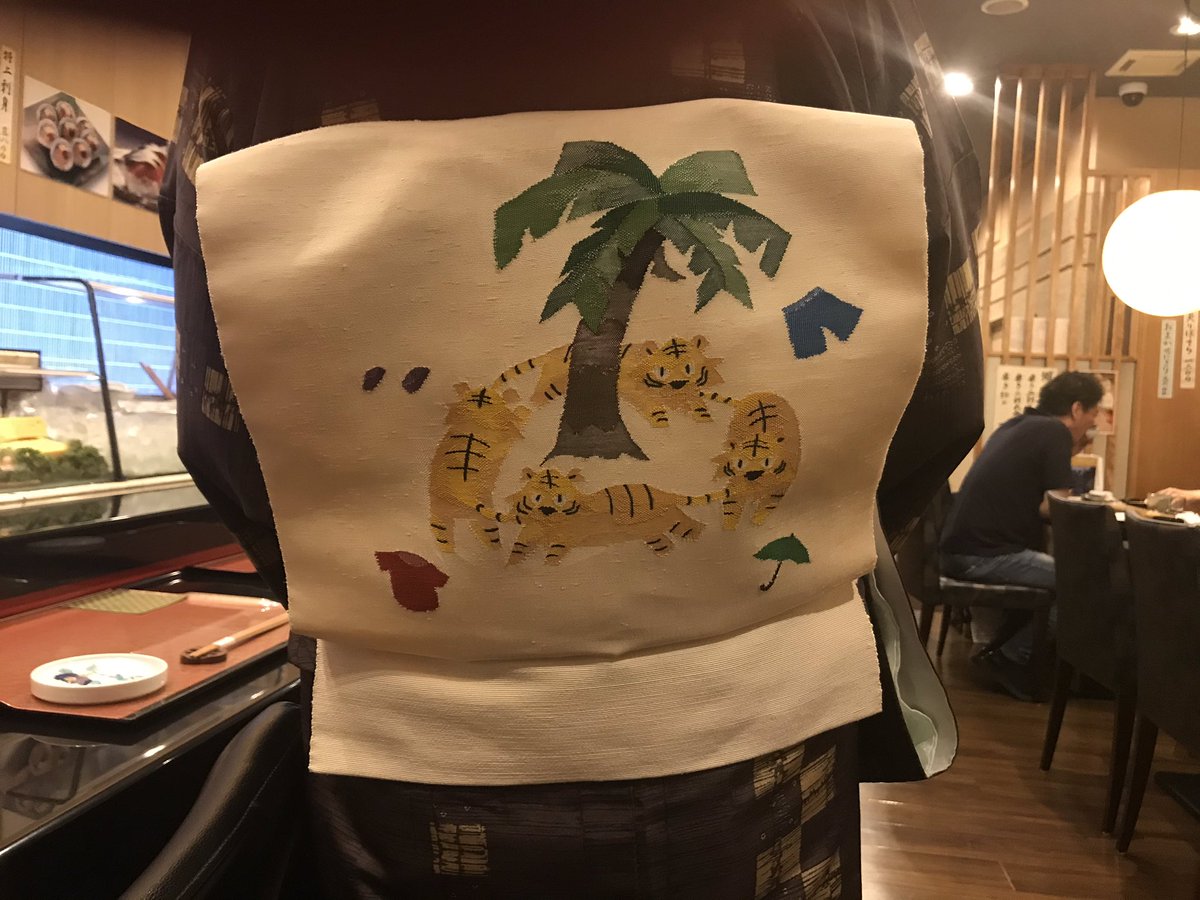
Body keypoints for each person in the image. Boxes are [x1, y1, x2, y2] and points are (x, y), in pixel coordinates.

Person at [152, 2, 984, 895]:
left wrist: (373, 576)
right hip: (761, 721)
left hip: (410, 733)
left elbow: (226, 413)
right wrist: (779, 549)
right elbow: (933, 377)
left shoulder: (265, 21)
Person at [940, 371, 1103, 700]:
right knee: (1083, 582)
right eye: (1094, 413)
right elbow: (1053, 507)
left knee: (1067, 577)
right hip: (982, 556)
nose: (1094, 422)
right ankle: (1010, 657)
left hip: (961, 550)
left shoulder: (1017, 425)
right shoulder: (1054, 432)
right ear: (1076, 409)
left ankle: (1009, 653)